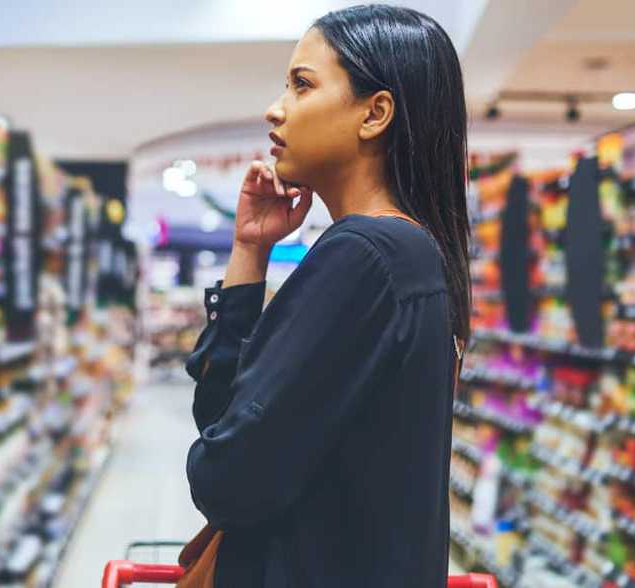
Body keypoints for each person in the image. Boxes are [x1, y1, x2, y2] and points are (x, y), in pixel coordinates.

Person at [184, 4, 470, 587]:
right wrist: (250, 249)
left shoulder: (364, 256)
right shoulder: (413, 253)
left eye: (302, 84)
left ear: (375, 113)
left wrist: (217, 459)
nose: (276, 107)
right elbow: (225, 420)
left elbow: (226, 477)